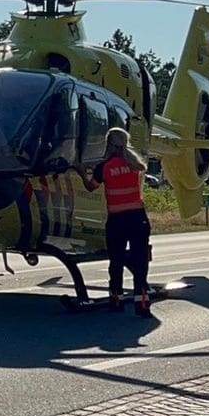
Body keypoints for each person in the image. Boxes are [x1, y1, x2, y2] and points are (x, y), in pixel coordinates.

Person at [78, 127, 152, 317]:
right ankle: (142, 301)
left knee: (116, 261)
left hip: (117, 220)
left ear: (109, 144)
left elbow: (91, 187)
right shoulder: (135, 164)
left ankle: (116, 298)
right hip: (138, 218)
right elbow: (141, 168)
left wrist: (81, 172)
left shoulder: (104, 167)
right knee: (140, 260)